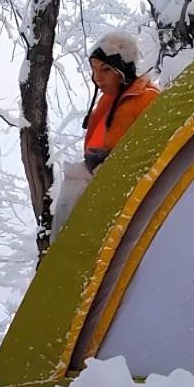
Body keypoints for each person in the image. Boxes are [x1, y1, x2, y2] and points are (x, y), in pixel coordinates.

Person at [52, 30, 160, 239]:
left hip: (129, 204)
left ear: (124, 70)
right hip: (101, 195)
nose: (97, 77)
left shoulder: (147, 99)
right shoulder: (106, 103)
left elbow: (157, 152)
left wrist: (111, 165)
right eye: (94, 69)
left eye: (106, 69)